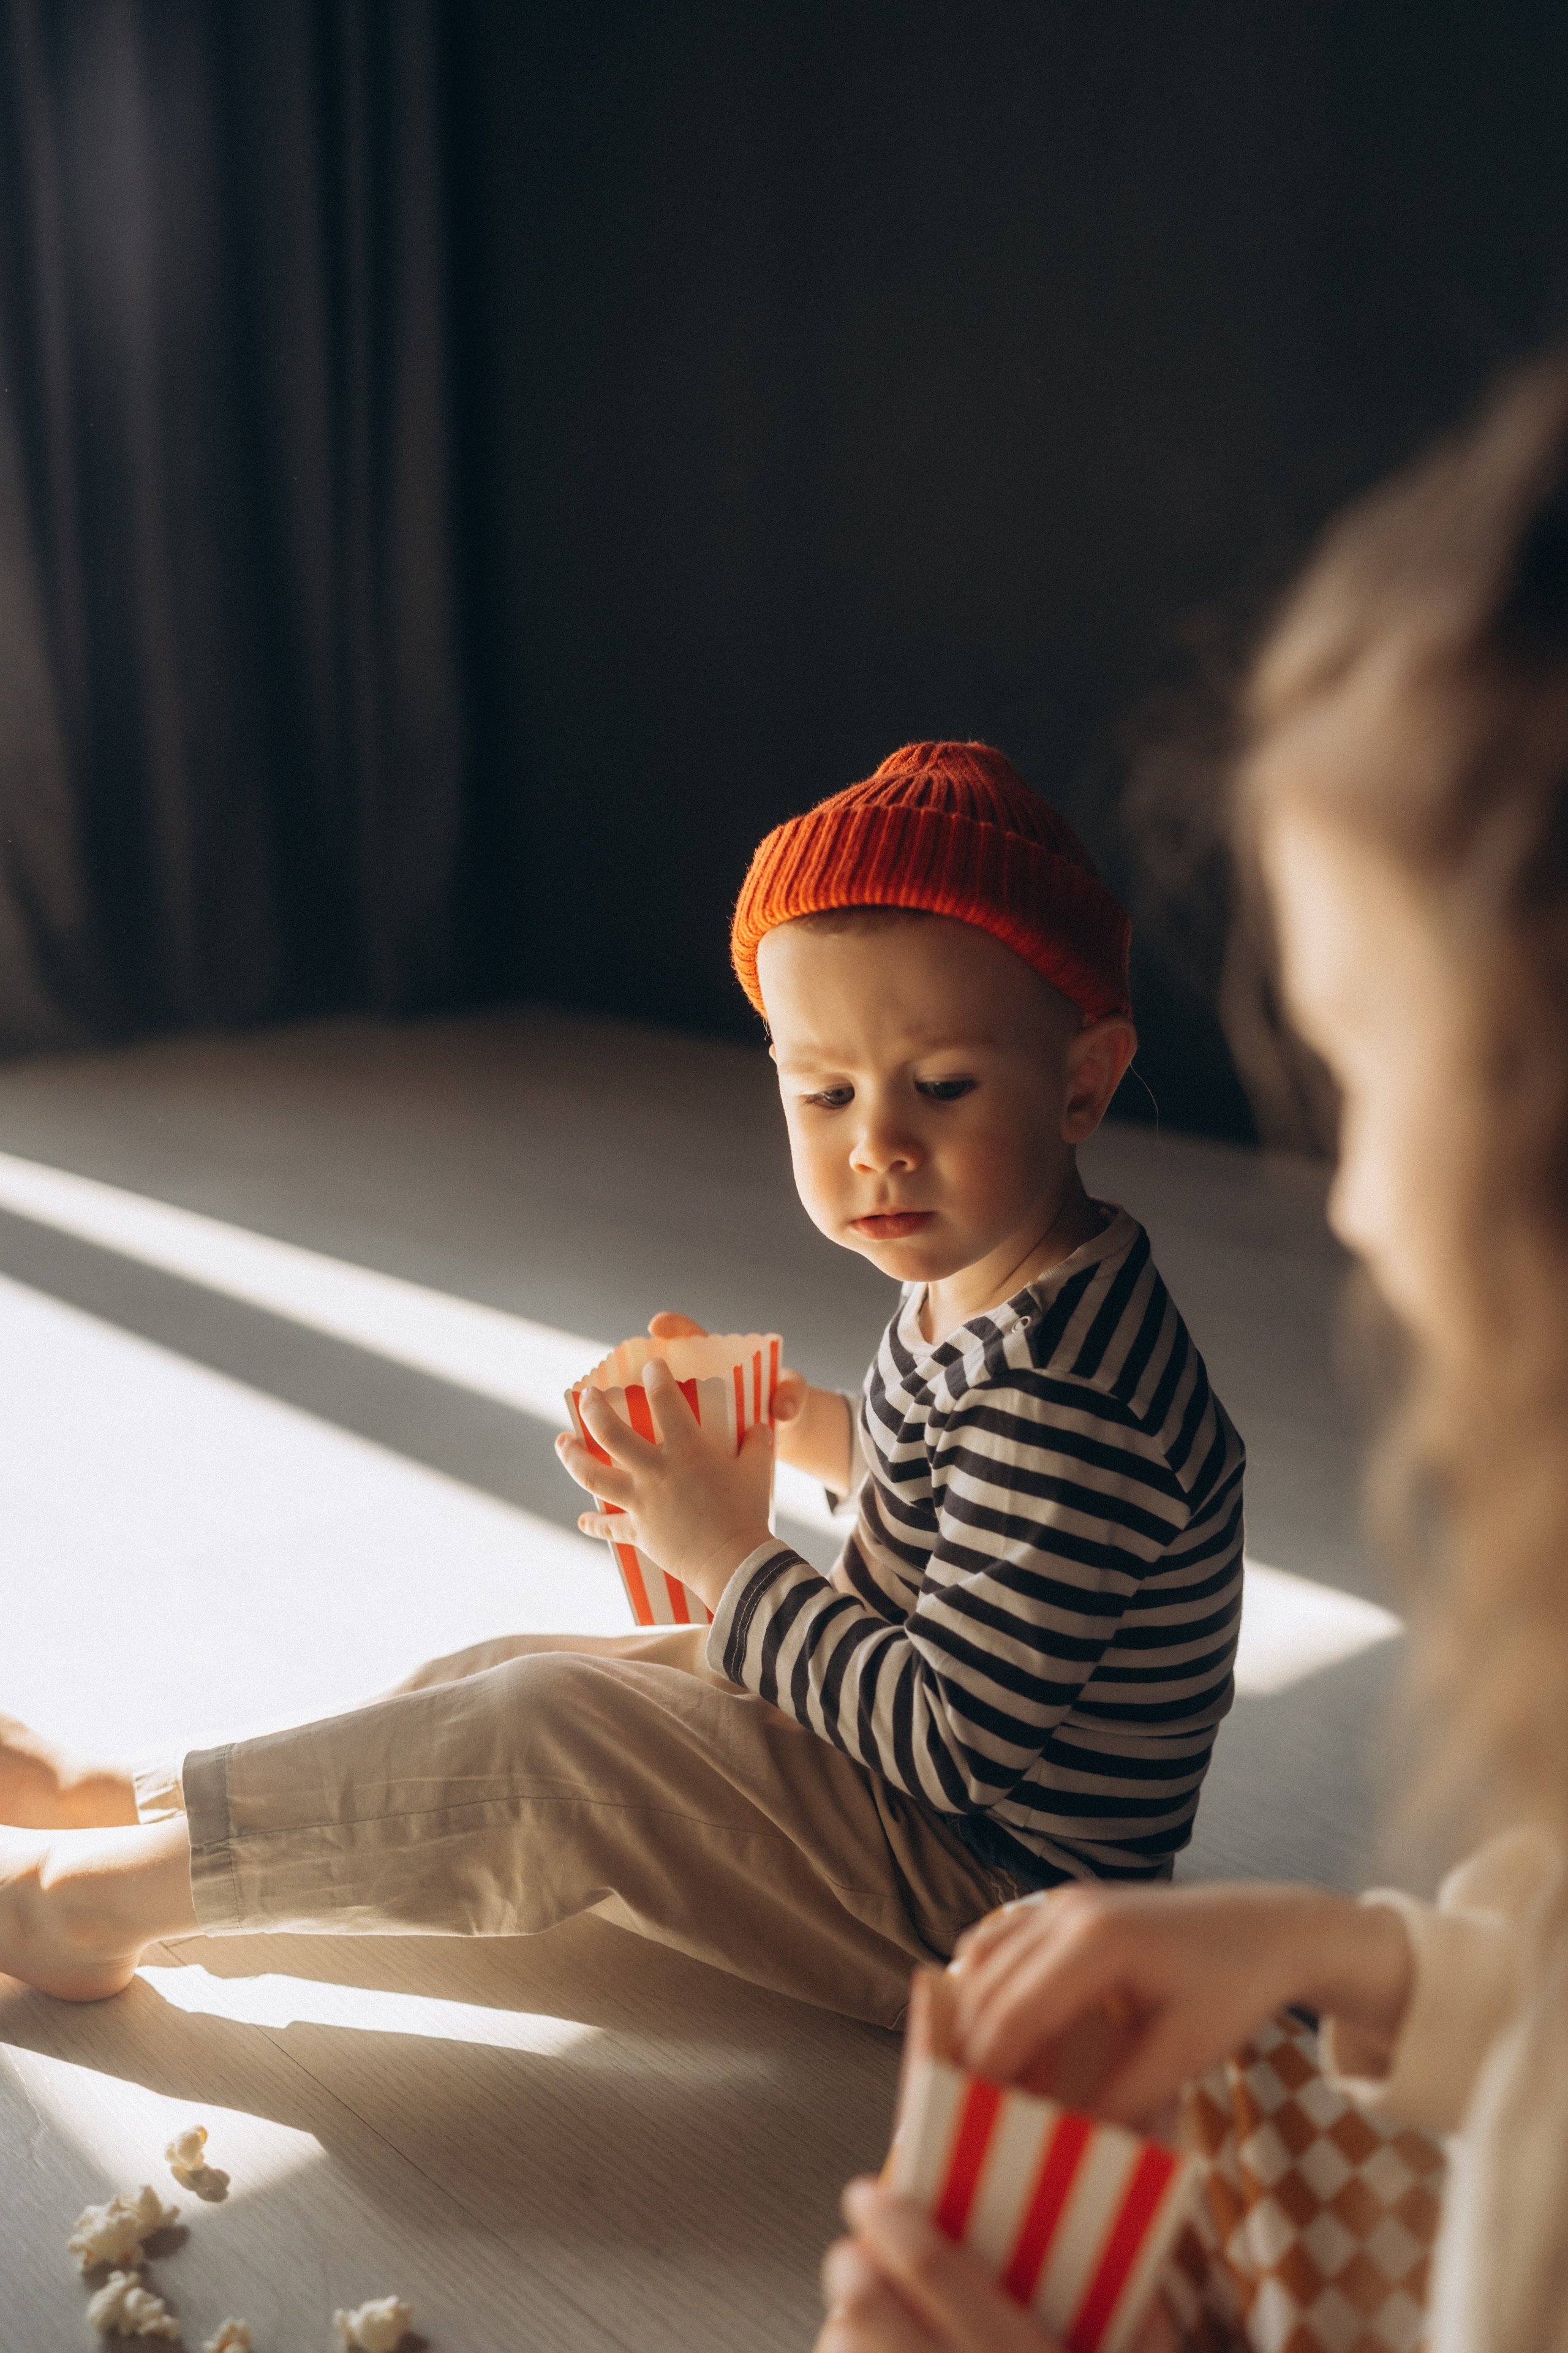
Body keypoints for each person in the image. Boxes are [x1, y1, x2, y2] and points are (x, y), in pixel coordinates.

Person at [0, 742, 1242, 2033]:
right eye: (825, 1092)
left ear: (1082, 1080)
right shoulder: (998, 1277)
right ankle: (136, 1803)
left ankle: (82, 1907)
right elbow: (941, 1493)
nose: (877, 1143)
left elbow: (951, 1742)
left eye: (939, 1087)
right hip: (907, 1789)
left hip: (995, 1894)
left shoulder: (1071, 1399)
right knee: (507, 1670)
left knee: (545, 1736)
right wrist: (795, 1422)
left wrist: (725, 1554)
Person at [818, 369, 1568, 2353]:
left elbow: (952, 1725)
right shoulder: (951, 1312)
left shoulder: (1077, 1361)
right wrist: (1355, 1951)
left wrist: (737, 1567)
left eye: (1381, 1079)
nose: (1355, 1205)